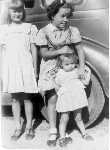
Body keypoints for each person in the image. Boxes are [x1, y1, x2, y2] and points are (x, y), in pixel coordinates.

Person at [36, 0, 86, 146]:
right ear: (52, 16)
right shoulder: (44, 31)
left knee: (69, 94)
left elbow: (80, 50)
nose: (66, 19)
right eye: (62, 16)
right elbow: (44, 54)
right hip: (51, 68)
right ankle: (53, 130)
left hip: (67, 68)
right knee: (52, 98)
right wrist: (60, 50)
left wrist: (81, 67)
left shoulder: (72, 30)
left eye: (68, 16)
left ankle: (67, 126)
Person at [0, 0, 39, 141]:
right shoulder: (4, 29)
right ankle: (18, 126)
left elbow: (34, 49)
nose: (17, 14)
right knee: (15, 98)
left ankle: (29, 126)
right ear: (9, 13)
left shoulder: (29, 27)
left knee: (27, 98)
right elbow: (2, 51)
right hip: (11, 67)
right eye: (14, 11)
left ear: (23, 12)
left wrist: (35, 68)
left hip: (26, 66)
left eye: (19, 11)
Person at [52, 47, 93, 147]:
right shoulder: (60, 74)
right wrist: (53, 81)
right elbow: (57, 88)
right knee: (64, 119)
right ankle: (62, 138)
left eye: (72, 63)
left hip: (77, 99)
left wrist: (88, 72)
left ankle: (84, 133)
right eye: (67, 64)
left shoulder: (77, 71)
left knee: (78, 118)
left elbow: (86, 82)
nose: (70, 66)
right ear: (61, 65)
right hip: (66, 100)